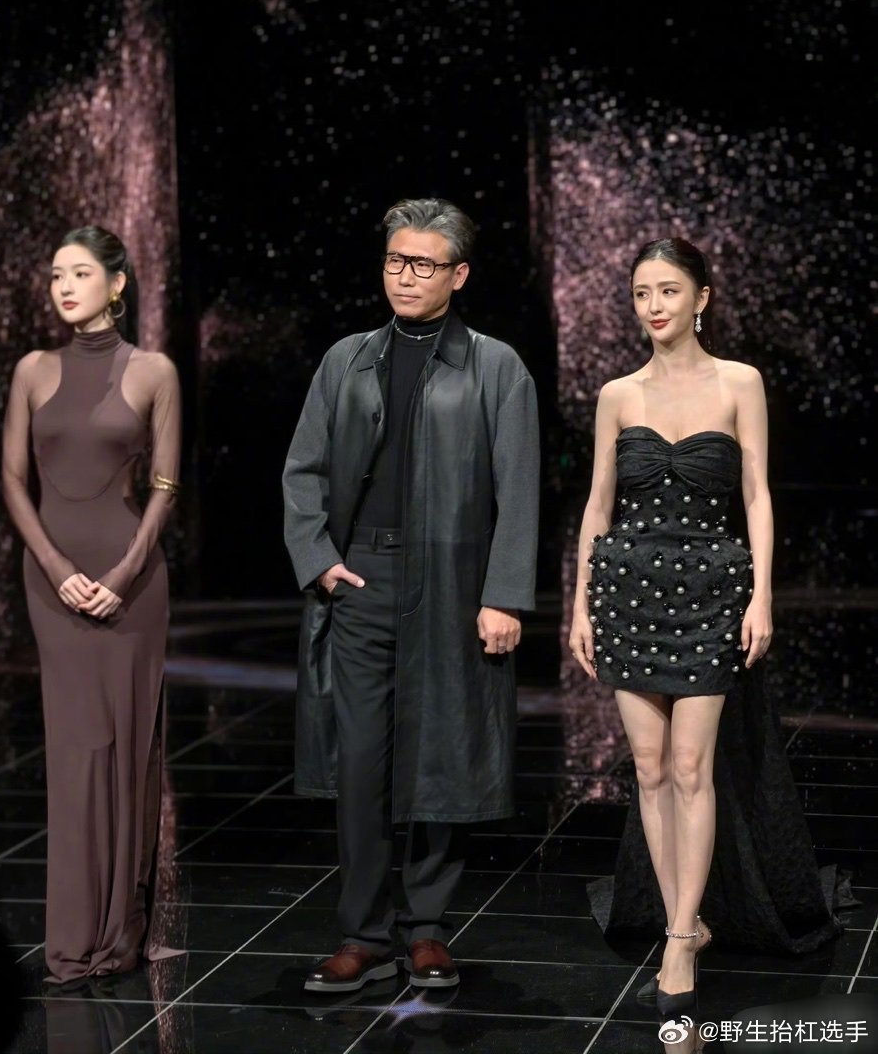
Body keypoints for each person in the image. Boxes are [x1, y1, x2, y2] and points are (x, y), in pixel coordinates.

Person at [568, 237, 839, 1018]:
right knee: (650, 768)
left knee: (691, 768)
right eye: (641, 293)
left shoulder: (738, 382)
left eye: (667, 290)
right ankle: (680, 919)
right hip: (627, 589)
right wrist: (582, 601)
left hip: (712, 590)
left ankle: (682, 936)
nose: (653, 305)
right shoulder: (618, 394)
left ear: (702, 298)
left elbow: (757, 495)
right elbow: (598, 502)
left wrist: (761, 597)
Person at [283, 198, 539, 994]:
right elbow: (303, 470)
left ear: (458, 275)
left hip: (455, 585)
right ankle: (364, 934)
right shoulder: (347, 360)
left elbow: (519, 491)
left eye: (424, 264)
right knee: (361, 760)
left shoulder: (496, 366)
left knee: (441, 754)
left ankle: (427, 928)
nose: (405, 276)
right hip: (361, 579)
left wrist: (504, 595)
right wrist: (320, 560)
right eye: (396, 260)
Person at [1, 225, 181, 984]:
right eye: (55, 275)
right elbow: (13, 480)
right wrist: (55, 568)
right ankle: (74, 939)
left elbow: (166, 486)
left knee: (128, 750)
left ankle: (119, 932)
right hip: (53, 582)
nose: (64, 287)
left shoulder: (153, 371)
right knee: (77, 751)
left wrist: (124, 573)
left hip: (130, 583)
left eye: (79, 273)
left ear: (117, 283)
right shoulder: (33, 370)